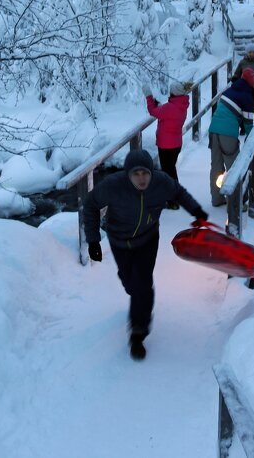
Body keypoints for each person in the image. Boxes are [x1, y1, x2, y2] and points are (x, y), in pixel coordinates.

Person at [83, 148, 207, 361]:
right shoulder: (113, 186)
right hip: (119, 240)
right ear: (128, 174)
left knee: (143, 285)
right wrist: (93, 240)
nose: (141, 179)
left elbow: (178, 192)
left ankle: (138, 333)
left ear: (151, 172)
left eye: (145, 173)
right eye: (136, 174)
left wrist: (196, 211)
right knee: (130, 282)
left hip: (147, 239)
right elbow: (90, 205)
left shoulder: (161, 182)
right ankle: (131, 285)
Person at [208, 67, 254, 225]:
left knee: (216, 165)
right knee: (235, 167)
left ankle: (216, 198)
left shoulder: (230, 90)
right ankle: (238, 202)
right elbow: (249, 124)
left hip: (213, 129)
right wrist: (252, 141)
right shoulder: (247, 96)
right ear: (252, 83)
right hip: (228, 133)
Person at [144, 81, 191, 184]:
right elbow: (165, 112)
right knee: (170, 170)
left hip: (166, 146)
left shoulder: (169, 107)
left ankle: (173, 196)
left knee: (168, 173)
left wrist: (148, 96)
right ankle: (173, 195)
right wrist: (158, 104)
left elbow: (153, 111)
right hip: (176, 144)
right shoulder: (181, 105)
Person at [232, 44, 254, 118]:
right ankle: (247, 126)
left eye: (253, 52)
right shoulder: (242, 62)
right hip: (246, 90)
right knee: (247, 109)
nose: (252, 54)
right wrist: (234, 80)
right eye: (250, 52)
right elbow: (237, 74)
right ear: (247, 53)